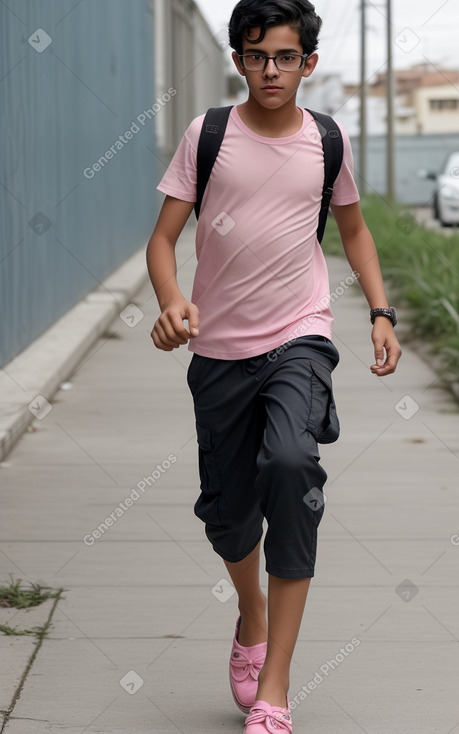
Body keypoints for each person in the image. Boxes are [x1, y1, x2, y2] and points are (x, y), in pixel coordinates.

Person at [146, 1, 402, 731]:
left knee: (292, 466)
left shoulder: (325, 140)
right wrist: (170, 303)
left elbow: (352, 229)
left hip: (300, 335)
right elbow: (162, 241)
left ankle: (275, 687)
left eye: (284, 57)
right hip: (220, 349)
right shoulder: (209, 134)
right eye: (256, 56)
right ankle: (250, 613)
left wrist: (379, 313)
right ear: (237, 60)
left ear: (307, 64)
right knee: (228, 519)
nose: (270, 70)